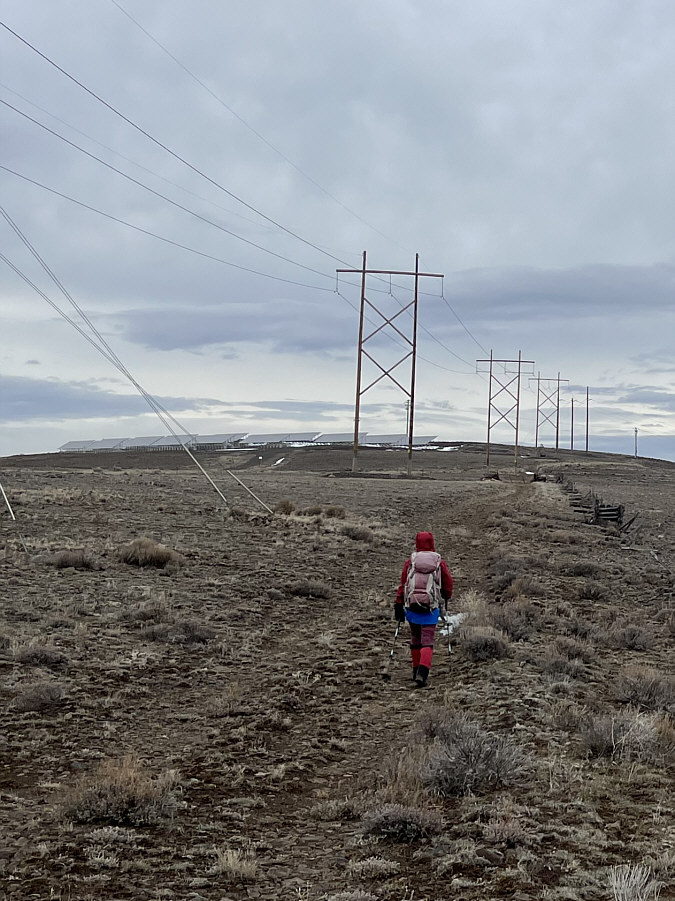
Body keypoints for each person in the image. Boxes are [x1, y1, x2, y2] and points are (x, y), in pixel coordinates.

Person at [394, 531, 453, 687]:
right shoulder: (439, 563)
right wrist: (446, 596)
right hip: (431, 607)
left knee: (415, 638)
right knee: (427, 640)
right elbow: (448, 584)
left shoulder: (410, 562)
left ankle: (415, 671)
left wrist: (398, 603)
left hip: (412, 607)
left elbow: (403, 584)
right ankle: (423, 673)